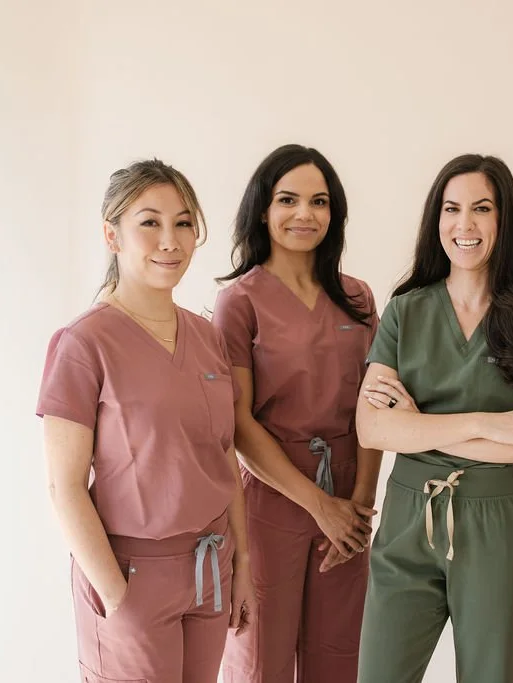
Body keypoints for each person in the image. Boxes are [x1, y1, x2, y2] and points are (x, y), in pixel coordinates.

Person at [355, 154, 513, 683]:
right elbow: (373, 428)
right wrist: (489, 423)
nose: (465, 224)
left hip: (502, 526)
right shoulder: (404, 310)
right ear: (436, 220)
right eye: (452, 209)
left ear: (505, 221)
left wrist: (419, 428)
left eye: (482, 208)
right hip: (407, 520)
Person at [36, 159, 254, 683]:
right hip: (131, 575)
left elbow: (223, 454)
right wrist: (116, 595)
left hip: (210, 567)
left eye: (183, 223)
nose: (170, 240)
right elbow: (65, 487)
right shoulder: (84, 344)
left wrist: (242, 565)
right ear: (112, 234)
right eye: (149, 223)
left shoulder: (206, 336)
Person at [213, 144, 381, 683]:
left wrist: (357, 508)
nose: (304, 214)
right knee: (263, 658)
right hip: (272, 500)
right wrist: (318, 506)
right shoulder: (240, 301)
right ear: (263, 209)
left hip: (350, 497)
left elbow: (373, 409)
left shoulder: (357, 297)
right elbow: (239, 425)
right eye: (288, 200)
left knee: (339, 656)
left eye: (319, 202)